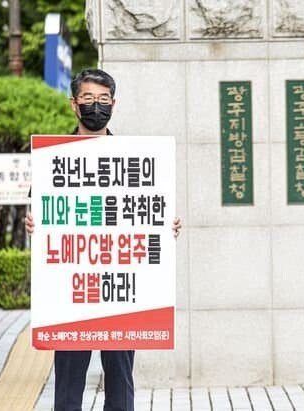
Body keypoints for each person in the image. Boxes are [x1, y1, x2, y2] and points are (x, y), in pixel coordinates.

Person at [24, 68, 182, 411]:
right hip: (73, 292)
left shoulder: (135, 159)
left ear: (113, 103)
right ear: (74, 104)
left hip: (119, 291)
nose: (96, 106)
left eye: (103, 99)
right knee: (68, 387)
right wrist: (35, 224)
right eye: (88, 99)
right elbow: (44, 211)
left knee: (120, 382)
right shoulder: (54, 159)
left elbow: (147, 213)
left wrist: (164, 227)